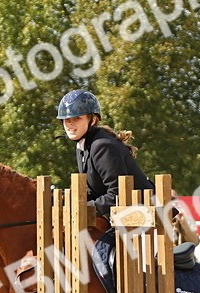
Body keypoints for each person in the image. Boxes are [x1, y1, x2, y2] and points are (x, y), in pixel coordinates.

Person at [56, 89, 154, 219]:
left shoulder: (101, 146)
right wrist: (63, 201)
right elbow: (94, 190)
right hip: (123, 216)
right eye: (66, 119)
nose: (69, 124)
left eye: (76, 118)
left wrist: (83, 210)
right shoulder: (83, 146)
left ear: (93, 120)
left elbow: (118, 193)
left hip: (147, 219)